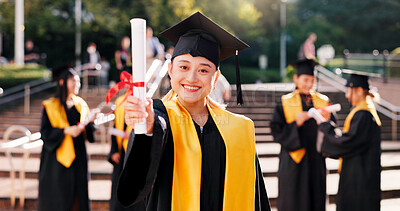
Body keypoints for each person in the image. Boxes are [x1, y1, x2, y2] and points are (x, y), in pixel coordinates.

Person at [117, 12, 271, 210]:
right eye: (183, 66)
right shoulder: (159, 117)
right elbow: (131, 191)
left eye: (204, 70)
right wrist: (147, 131)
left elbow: (256, 198)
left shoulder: (240, 129)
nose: (192, 78)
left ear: (215, 79)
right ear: (171, 70)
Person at [270, 59, 335, 211]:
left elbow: (332, 129)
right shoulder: (285, 102)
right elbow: (276, 131)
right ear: (296, 79)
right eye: (305, 80)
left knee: (316, 199)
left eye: (312, 80)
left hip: (316, 160)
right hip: (294, 160)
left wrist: (326, 122)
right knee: (293, 201)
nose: (308, 84)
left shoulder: (323, 101)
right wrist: (296, 123)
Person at [317, 69, 381, 211]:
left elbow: (348, 143)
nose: (346, 96)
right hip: (362, 173)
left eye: (348, 90)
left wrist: (326, 126)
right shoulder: (366, 111)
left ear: (358, 90)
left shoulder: (363, 114)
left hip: (358, 178)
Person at [38, 65, 98, 211]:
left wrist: (91, 122)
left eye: (78, 81)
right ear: (62, 82)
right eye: (73, 81)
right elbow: (45, 133)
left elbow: (90, 135)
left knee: (78, 198)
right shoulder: (50, 105)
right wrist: (65, 131)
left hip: (78, 157)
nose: (77, 84)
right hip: (56, 160)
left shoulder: (81, 104)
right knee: (58, 197)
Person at [108, 91, 146, 211]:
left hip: (139, 153)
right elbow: (115, 128)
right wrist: (114, 151)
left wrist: (132, 135)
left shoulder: (144, 102)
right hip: (122, 153)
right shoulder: (120, 102)